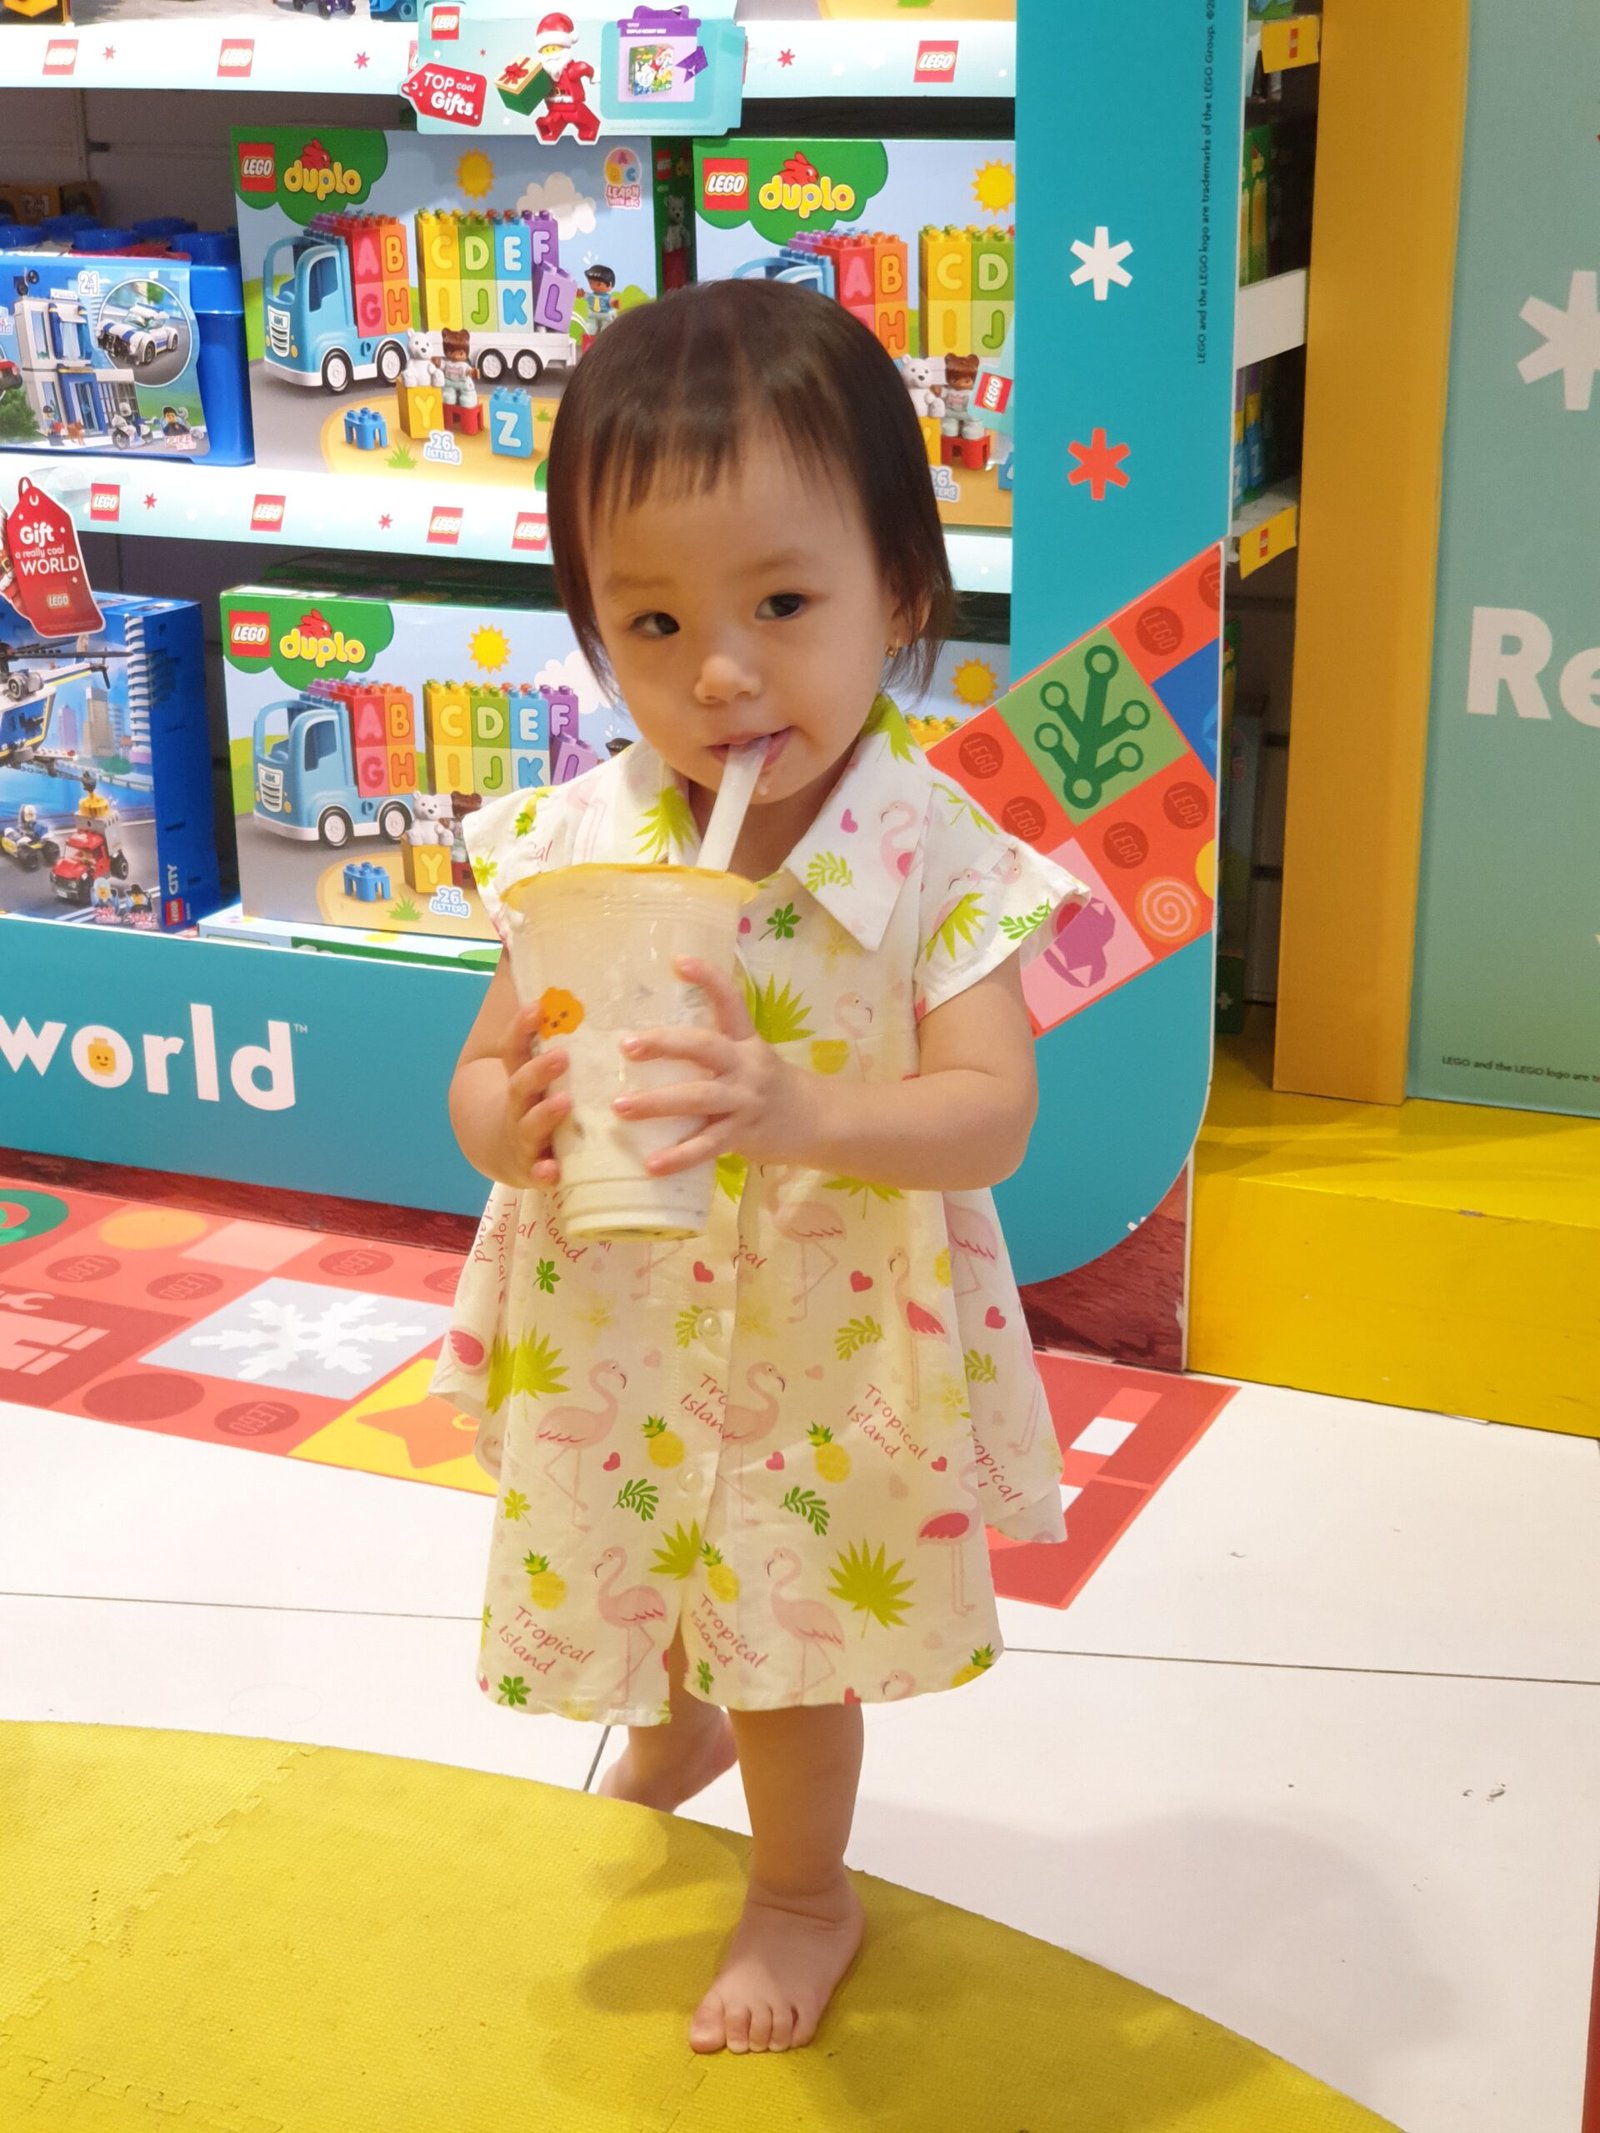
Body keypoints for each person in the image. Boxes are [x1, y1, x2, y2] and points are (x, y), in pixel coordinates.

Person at [434, 279, 1083, 2059]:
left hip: (825, 1338)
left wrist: (803, 1112)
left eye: (782, 605)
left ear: (903, 592)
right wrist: (515, 1114)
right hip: (620, 1322)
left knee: (786, 1630)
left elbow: (990, 1114)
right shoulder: (576, 840)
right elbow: (480, 1080)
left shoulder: (934, 851)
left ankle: (802, 1889)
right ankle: (674, 1719)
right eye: (652, 621)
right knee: (637, 1555)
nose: (718, 673)